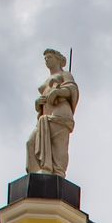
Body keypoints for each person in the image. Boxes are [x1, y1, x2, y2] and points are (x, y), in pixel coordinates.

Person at [26, 48, 79, 176]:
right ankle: (37, 172)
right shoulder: (47, 79)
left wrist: (57, 92)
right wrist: (38, 103)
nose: (46, 60)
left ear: (58, 59)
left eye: (49, 57)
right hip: (45, 116)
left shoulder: (65, 74)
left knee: (58, 146)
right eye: (45, 58)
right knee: (31, 142)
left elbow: (72, 90)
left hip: (60, 113)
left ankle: (58, 172)